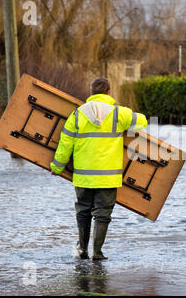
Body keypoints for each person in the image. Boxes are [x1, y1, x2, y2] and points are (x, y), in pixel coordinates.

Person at [50, 78, 147, 260]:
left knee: (83, 211)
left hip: (83, 176)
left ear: (91, 92)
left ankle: (82, 249)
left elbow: (65, 143)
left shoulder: (77, 114)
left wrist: (57, 166)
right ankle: (97, 252)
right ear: (109, 92)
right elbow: (142, 122)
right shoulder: (118, 114)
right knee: (102, 214)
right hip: (108, 177)